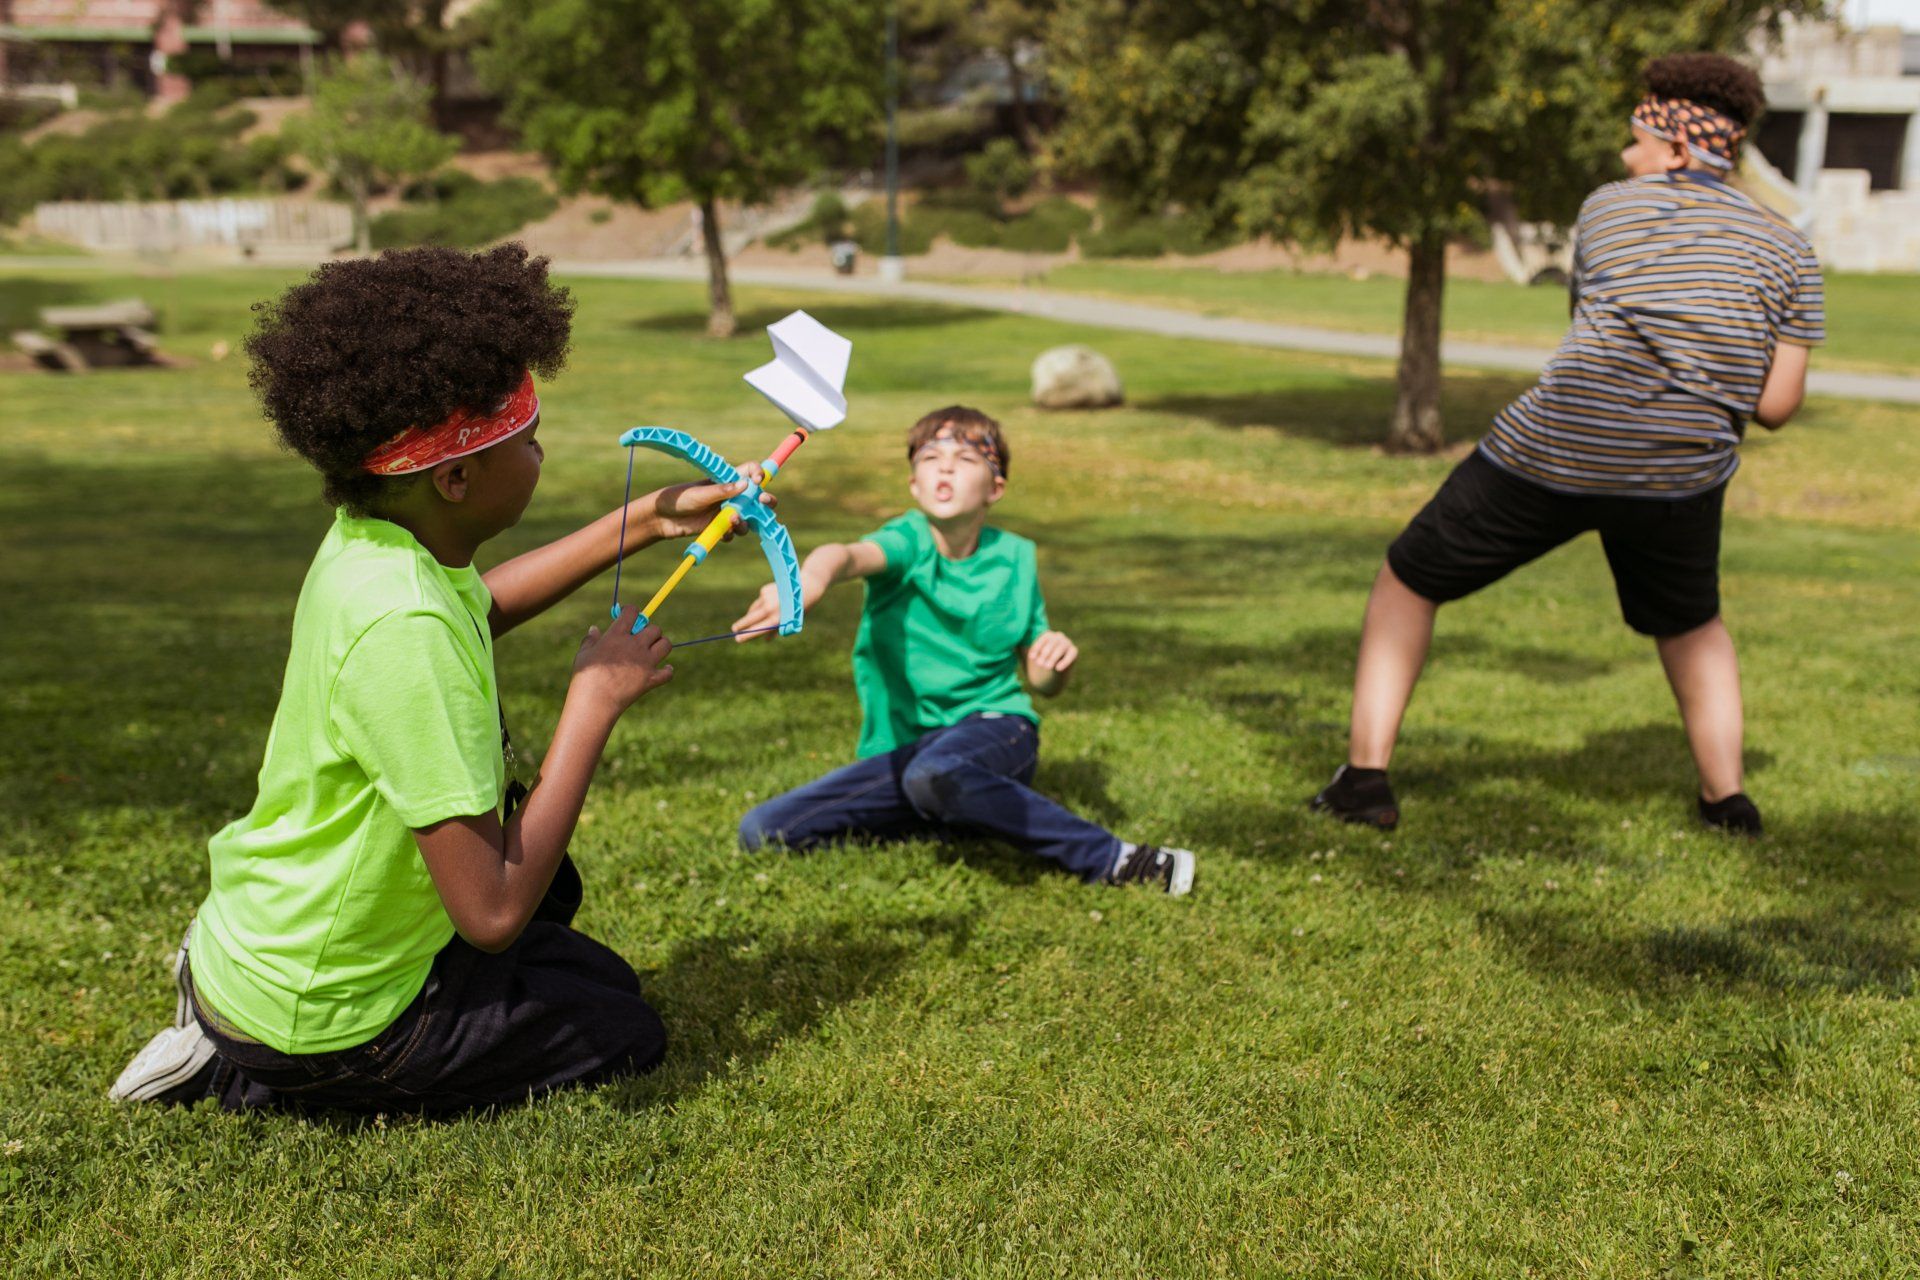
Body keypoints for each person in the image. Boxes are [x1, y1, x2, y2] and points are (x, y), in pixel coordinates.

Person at [110, 244, 765, 1111]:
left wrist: (644, 520)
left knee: (589, 966)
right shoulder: (404, 628)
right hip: (328, 1014)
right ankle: (242, 1071)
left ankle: (237, 1004)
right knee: (622, 1032)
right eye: (529, 444)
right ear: (457, 477)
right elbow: (490, 911)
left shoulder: (376, 547)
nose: (543, 455)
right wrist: (593, 702)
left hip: (272, 932)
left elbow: (479, 607)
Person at [1311, 53, 1823, 837]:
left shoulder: (1608, 210)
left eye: (1637, 140)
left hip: (1553, 449)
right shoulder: (1790, 252)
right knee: (1691, 624)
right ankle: (1729, 802)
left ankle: (1365, 782)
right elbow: (1779, 406)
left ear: (1680, 150)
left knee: (1408, 577)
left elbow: (1590, 331)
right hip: (1678, 475)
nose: (1625, 158)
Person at [732, 406, 1196, 894]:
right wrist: (806, 581)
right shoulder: (907, 541)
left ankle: (1121, 860)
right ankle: (961, 810)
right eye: (931, 457)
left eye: (967, 458)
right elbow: (845, 556)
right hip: (904, 753)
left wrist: (1052, 664)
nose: (946, 466)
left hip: (996, 727)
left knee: (935, 774)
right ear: (914, 484)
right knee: (762, 831)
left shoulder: (1015, 557)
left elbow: (1042, 683)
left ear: (995, 488)